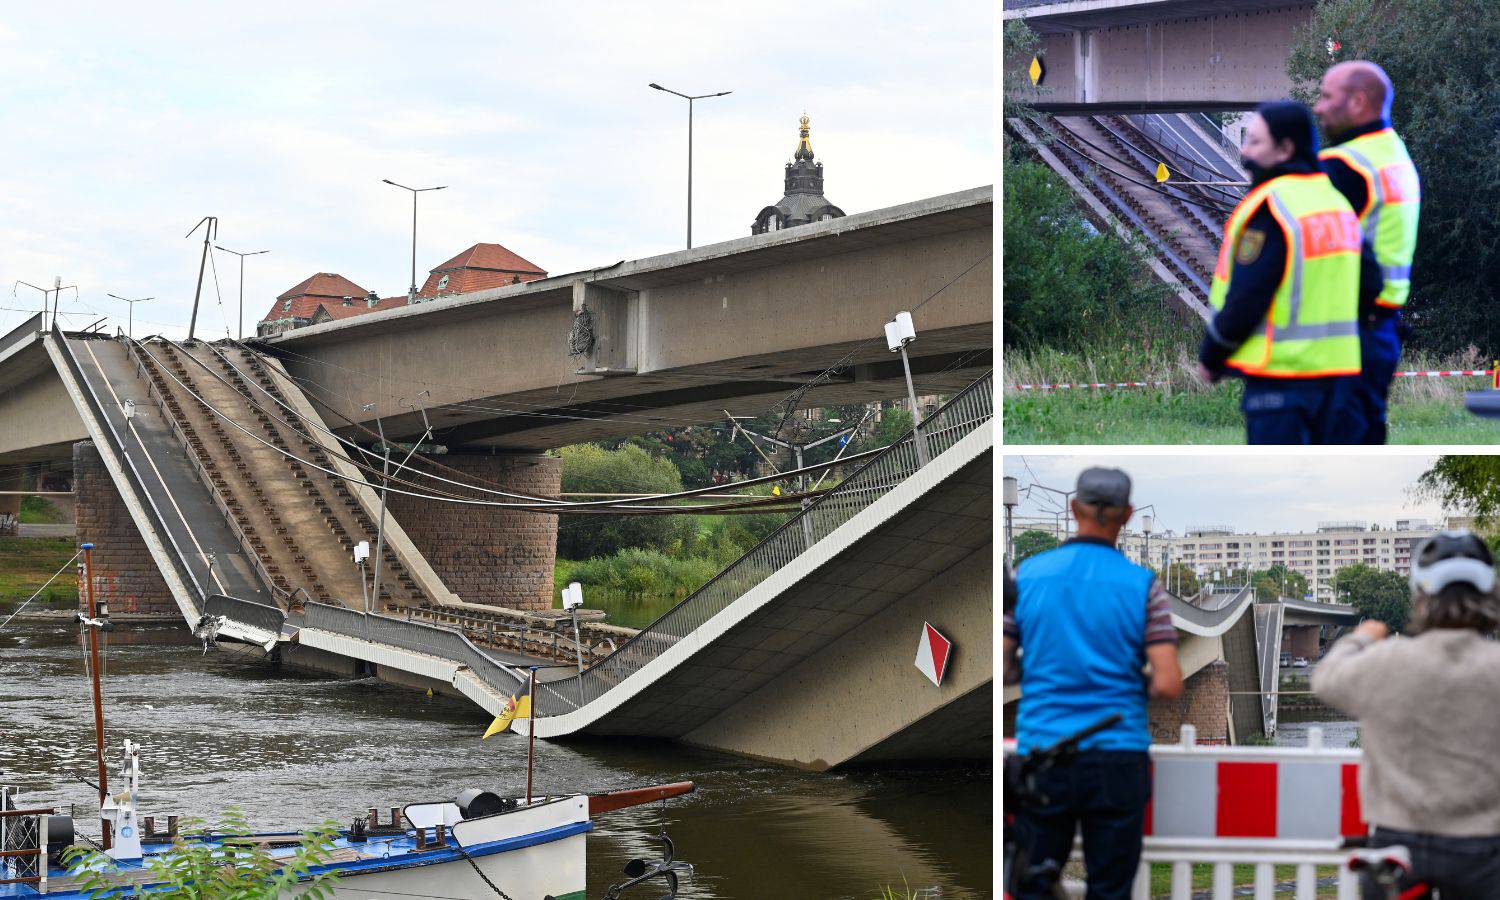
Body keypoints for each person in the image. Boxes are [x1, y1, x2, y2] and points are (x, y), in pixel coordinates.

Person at [1003, 467, 1182, 899]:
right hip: (1117, 759)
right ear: (1127, 516)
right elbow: (1169, 683)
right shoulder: (1144, 587)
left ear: (1074, 508)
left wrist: (1045, 671)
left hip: (1044, 758)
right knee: (1110, 889)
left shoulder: (1026, 577)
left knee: (1032, 882)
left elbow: (1004, 666)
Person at [1312, 530, 1500, 898]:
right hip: (1480, 845)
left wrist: (1362, 636)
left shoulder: (1387, 663)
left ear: (1420, 595)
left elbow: (1325, 679)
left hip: (1396, 841)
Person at [1197, 100, 1383, 444]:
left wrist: (1212, 355)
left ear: (1285, 148)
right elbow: (1372, 283)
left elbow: (1248, 296)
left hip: (1281, 385)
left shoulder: (1272, 206)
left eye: (1254, 142)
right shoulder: (1336, 203)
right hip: (1340, 382)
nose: (1244, 150)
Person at [1316, 60, 1422, 445]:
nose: (1318, 107)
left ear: (1358, 102)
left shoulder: (1344, 166)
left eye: (1327, 96)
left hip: (1345, 335)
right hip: (1383, 330)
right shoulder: (1394, 154)